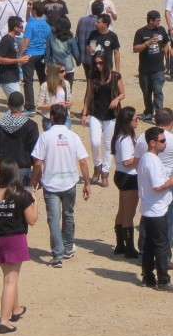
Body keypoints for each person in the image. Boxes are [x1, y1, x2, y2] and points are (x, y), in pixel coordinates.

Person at [0, 159, 37, 333]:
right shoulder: (21, 194)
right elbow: (32, 220)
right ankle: (4, 321)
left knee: (9, 276)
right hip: (15, 239)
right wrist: (36, 202)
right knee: (11, 280)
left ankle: (16, 309)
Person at [31, 104, 93, 268]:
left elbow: (38, 162)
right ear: (66, 118)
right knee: (68, 215)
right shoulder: (73, 136)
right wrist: (87, 183)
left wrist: (34, 180)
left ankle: (57, 254)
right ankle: (67, 247)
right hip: (70, 182)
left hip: (51, 184)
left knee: (54, 219)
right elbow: (83, 162)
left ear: (51, 118)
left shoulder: (45, 137)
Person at [137, 126, 173, 292]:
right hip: (157, 210)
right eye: (162, 141)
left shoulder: (146, 158)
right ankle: (163, 279)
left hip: (149, 208)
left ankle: (148, 276)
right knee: (161, 245)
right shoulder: (152, 160)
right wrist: (172, 181)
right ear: (152, 142)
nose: (165, 144)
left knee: (149, 245)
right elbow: (157, 186)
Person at [82, 52, 124, 188]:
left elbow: (122, 93)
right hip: (96, 113)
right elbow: (88, 95)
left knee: (108, 144)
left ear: (106, 62)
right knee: (94, 142)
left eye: (100, 63)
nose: (98, 66)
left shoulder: (115, 76)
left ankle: (105, 172)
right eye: (96, 63)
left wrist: (117, 99)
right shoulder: (92, 77)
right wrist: (84, 112)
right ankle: (97, 166)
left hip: (111, 115)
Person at [0, 92, 39, 185]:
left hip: (4, 169)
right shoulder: (31, 125)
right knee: (23, 198)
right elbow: (35, 152)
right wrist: (37, 174)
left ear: (8, 105)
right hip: (23, 170)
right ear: (23, 105)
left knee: (4, 198)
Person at [110, 107, 140, 258]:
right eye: (135, 119)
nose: (138, 121)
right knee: (129, 213)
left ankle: (120, 245)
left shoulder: (120, 136)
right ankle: (129, 248)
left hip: (121, 175)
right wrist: (141, 158)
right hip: (129, 177)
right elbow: (127, 161)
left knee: (122, 211)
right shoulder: (126, 139)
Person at [133, 10, 168, 122]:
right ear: (151, 20)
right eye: (157, 21)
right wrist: (147, 43)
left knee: (158, 91)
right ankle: (148, 111)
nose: (159, 23)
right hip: (145, 69)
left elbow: (166, 43)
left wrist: (167, 60)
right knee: (146, 92)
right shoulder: (141, 32)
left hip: (158, 68)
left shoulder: (161, 30)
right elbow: (135, 49)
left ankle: (159, 115)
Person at [21, 0, 51, 115]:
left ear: (34, 11)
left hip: (30, 54)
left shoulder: (31, 24)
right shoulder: (47, 25)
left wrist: (20, 55)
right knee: (43, 80)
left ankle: (30, 107)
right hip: (42, 54)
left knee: (28, 81)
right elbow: (48, 41)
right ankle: (45, 104)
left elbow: (26, 42)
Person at [0, 16, 29, 101]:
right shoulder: (6, 40)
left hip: (13, 76)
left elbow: (11, 56)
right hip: (8, 78)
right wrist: (18, 60)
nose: (22, 29)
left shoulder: (13, 39)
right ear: (15, 28)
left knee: (15, 104)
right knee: (17, 103)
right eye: (21, 27)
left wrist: (21, 59)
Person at [35, 63, 72, 132]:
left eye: (64, 71)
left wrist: (69, 103)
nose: (64, 73)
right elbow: (39, 106)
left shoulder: (66, 83)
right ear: (54, 73)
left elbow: (70, 99)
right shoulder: (45, 86)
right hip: (50, 118)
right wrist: (55, 105)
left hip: (64, 117)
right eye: (62, 71)